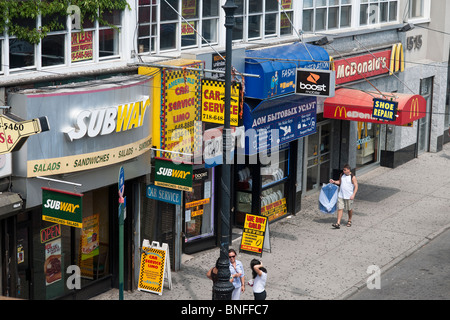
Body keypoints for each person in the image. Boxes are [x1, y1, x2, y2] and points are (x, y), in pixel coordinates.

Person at [329, 164, 358, 229]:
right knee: (340, 208)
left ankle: (349, 220)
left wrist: (353, 195)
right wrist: (334, 181)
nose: (343, 171)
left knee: (349, 209)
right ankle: (338, 223)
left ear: (348, 170)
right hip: (341, 195)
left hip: (349, 196)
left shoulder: (352, 177)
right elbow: (339, 182)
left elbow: (356, 186)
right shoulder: (342, 175)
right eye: (343, 170)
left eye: (345, 170)